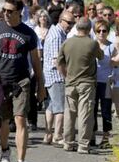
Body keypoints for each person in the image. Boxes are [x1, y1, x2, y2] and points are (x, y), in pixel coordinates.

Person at [0, 0, 45, 162]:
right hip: (0, 81)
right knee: (4, 121)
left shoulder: (28, 33)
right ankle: (5, 151)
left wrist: (41, 86)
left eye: (10, 11)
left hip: (21, 81)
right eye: (4, 10)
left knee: (20, 119)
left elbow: (36, 61)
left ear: (20, 12)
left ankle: (21, 161)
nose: (5, 13)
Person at [57, 17, 103, 154]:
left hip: (70, 82)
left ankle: (68, 143)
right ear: (90, 29)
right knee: (85, 114)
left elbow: (59, 63)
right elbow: (100, 56)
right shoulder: (92, 43)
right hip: (87, 83)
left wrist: (66, 76)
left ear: (77, 28)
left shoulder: (67, 43)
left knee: (69, 113)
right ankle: (83, 145)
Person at [42, 11, 75, 146]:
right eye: (69, 23)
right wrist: (66, 75)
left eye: (72, 23)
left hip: (51, 75)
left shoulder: (58, 33)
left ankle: (48, 134)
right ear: (61, 20)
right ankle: (58, 135)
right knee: (60, 107)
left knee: (51, 106)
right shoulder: (56, 36)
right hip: (56, 75)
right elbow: (57, 61)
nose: (71, 26)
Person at [92, 20, 116, 148]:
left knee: (106, 110)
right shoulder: (92, 45)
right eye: (98, 31)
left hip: (106, 82)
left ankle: (106, 138)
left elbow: (115, 65)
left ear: (107, 32)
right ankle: (92, 137)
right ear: (95, 32)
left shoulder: (112, 46)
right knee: (92, 110)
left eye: (104, 31)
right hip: (93, 82)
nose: (101, 33)